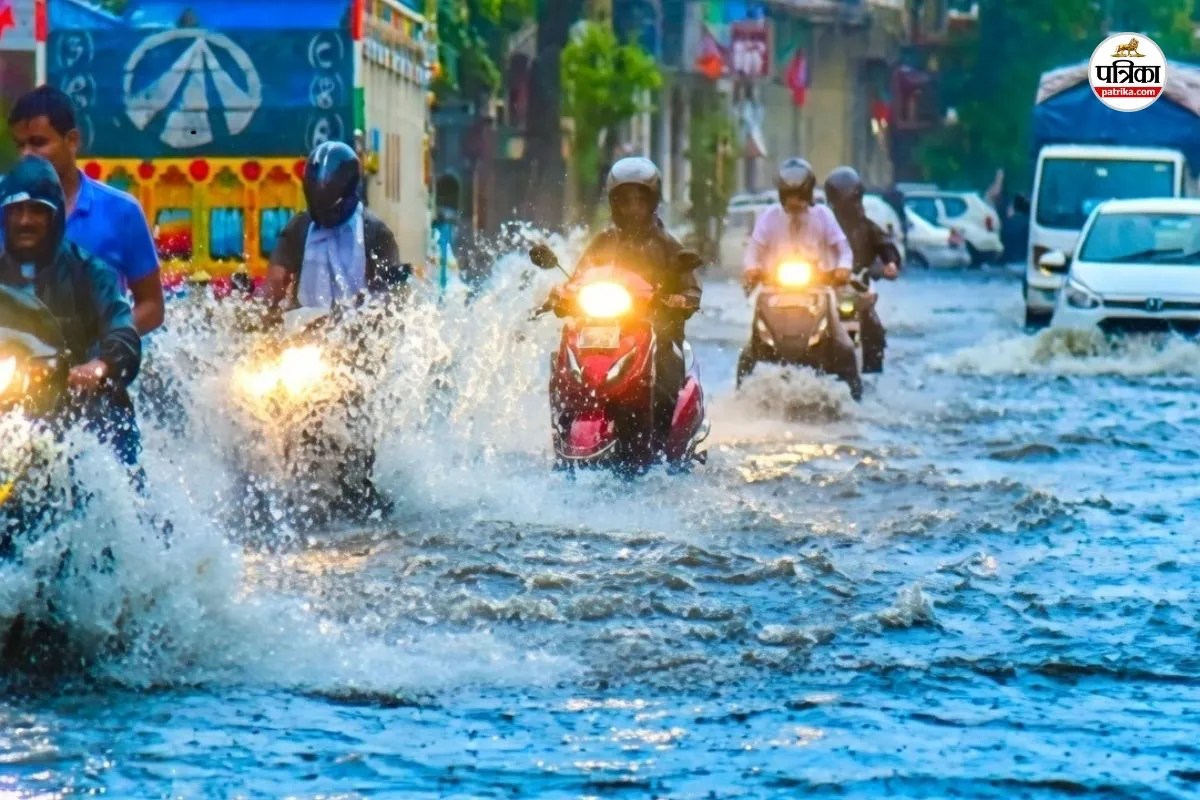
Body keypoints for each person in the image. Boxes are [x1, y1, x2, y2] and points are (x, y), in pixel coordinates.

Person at [541, 156, 701, 438]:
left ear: (652, 202)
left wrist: (679, 300)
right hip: (603, 329)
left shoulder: (666, 244)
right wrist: (561, 294)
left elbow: (690, 288)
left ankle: (661, 440)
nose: (632, 208)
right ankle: (564, 427)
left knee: (665, 375)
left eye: (639, 200)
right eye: (625, 200)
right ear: (614, 203)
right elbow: (580, 278)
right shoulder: (603, 242)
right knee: (565, 357)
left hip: (654, 330)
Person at [0, 155, 142, 465]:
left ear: (55, 217)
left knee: (114, 471)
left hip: (79, 413)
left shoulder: (91, 272)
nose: (25, 220)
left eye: (37, 210)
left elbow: (123, 330)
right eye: (16, 211)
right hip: (9, 407)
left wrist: (100, 366)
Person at [4, 86, 163, 335]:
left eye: (38, 143)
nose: (27, 155)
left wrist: (108, 342)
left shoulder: (122, 211)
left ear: (72, 141)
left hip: (96, 367)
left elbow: (152, 305)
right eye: (20, 145)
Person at [739, 157, 858, 396]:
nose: (794, 202)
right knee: (750, 349)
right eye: (789, 195)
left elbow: (843, 249)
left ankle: (854, 396)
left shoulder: (823, 216)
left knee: (844, 347)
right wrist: (751, 268)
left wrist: (843, 268)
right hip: (775, 292)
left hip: (818, 290)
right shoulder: (770, 216)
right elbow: (753, 250)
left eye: (799, 195)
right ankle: (741, 396)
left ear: (808, 193)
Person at [265, 140, 408, 310]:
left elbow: (393, 297)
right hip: (305, 329)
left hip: (357, 328)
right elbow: (276, 279)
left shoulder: (376, 234)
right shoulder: (300, 227)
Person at [824, 165, 901, 373]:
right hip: (823, 288)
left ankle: (872, 371)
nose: (851, 204)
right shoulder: (821, 224)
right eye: (847, 199)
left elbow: (886, 245)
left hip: (857, 287)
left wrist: (890, 263)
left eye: (855, 198)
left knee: (873, 327)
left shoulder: (866, 226)